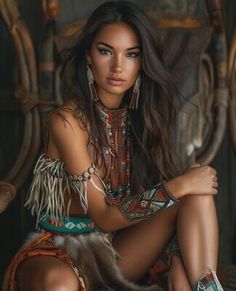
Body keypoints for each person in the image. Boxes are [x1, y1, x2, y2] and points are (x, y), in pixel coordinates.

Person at [4, 1, 223, 290]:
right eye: (106, 51)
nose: (118, 66)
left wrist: (186, 187)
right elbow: (105, 217)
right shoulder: (67, 122)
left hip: (116, 251)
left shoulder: (143, 118)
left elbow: (137, 215)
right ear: (88, 57)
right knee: (58, 284)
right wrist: (179, 185)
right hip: (58, 252)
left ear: (142, 63)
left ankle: (203, 284)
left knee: (195, 193)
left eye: (131, 54)